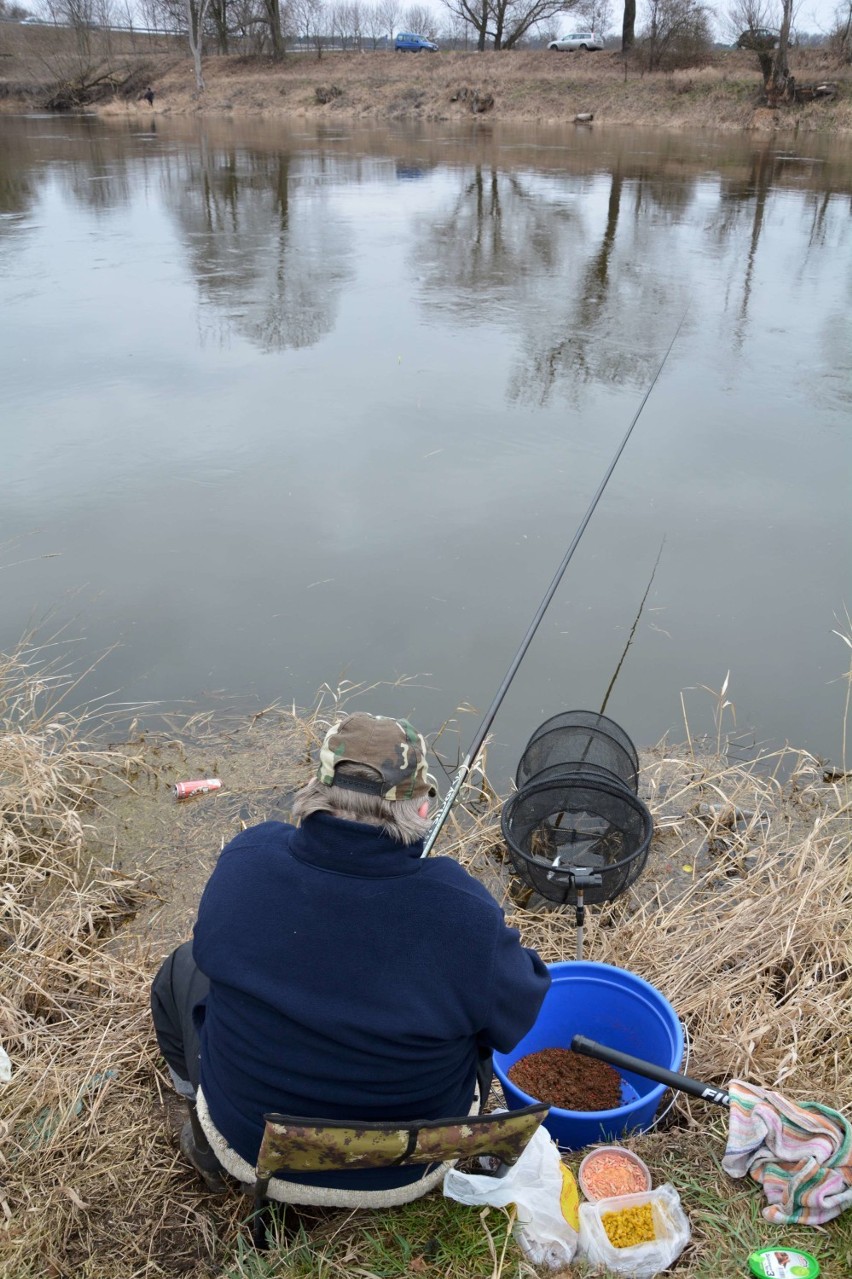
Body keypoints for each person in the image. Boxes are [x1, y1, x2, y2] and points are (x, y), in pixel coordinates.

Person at [151, 712, 550, 1204]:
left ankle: (196, 1110)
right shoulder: (463, 912)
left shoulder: (246, 859)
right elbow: (517, 1016)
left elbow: (212, 949)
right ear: (422, 809)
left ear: (313, 792)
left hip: (250, 1146)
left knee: (181, 967)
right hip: (402, 1170)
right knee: (476, 1022)